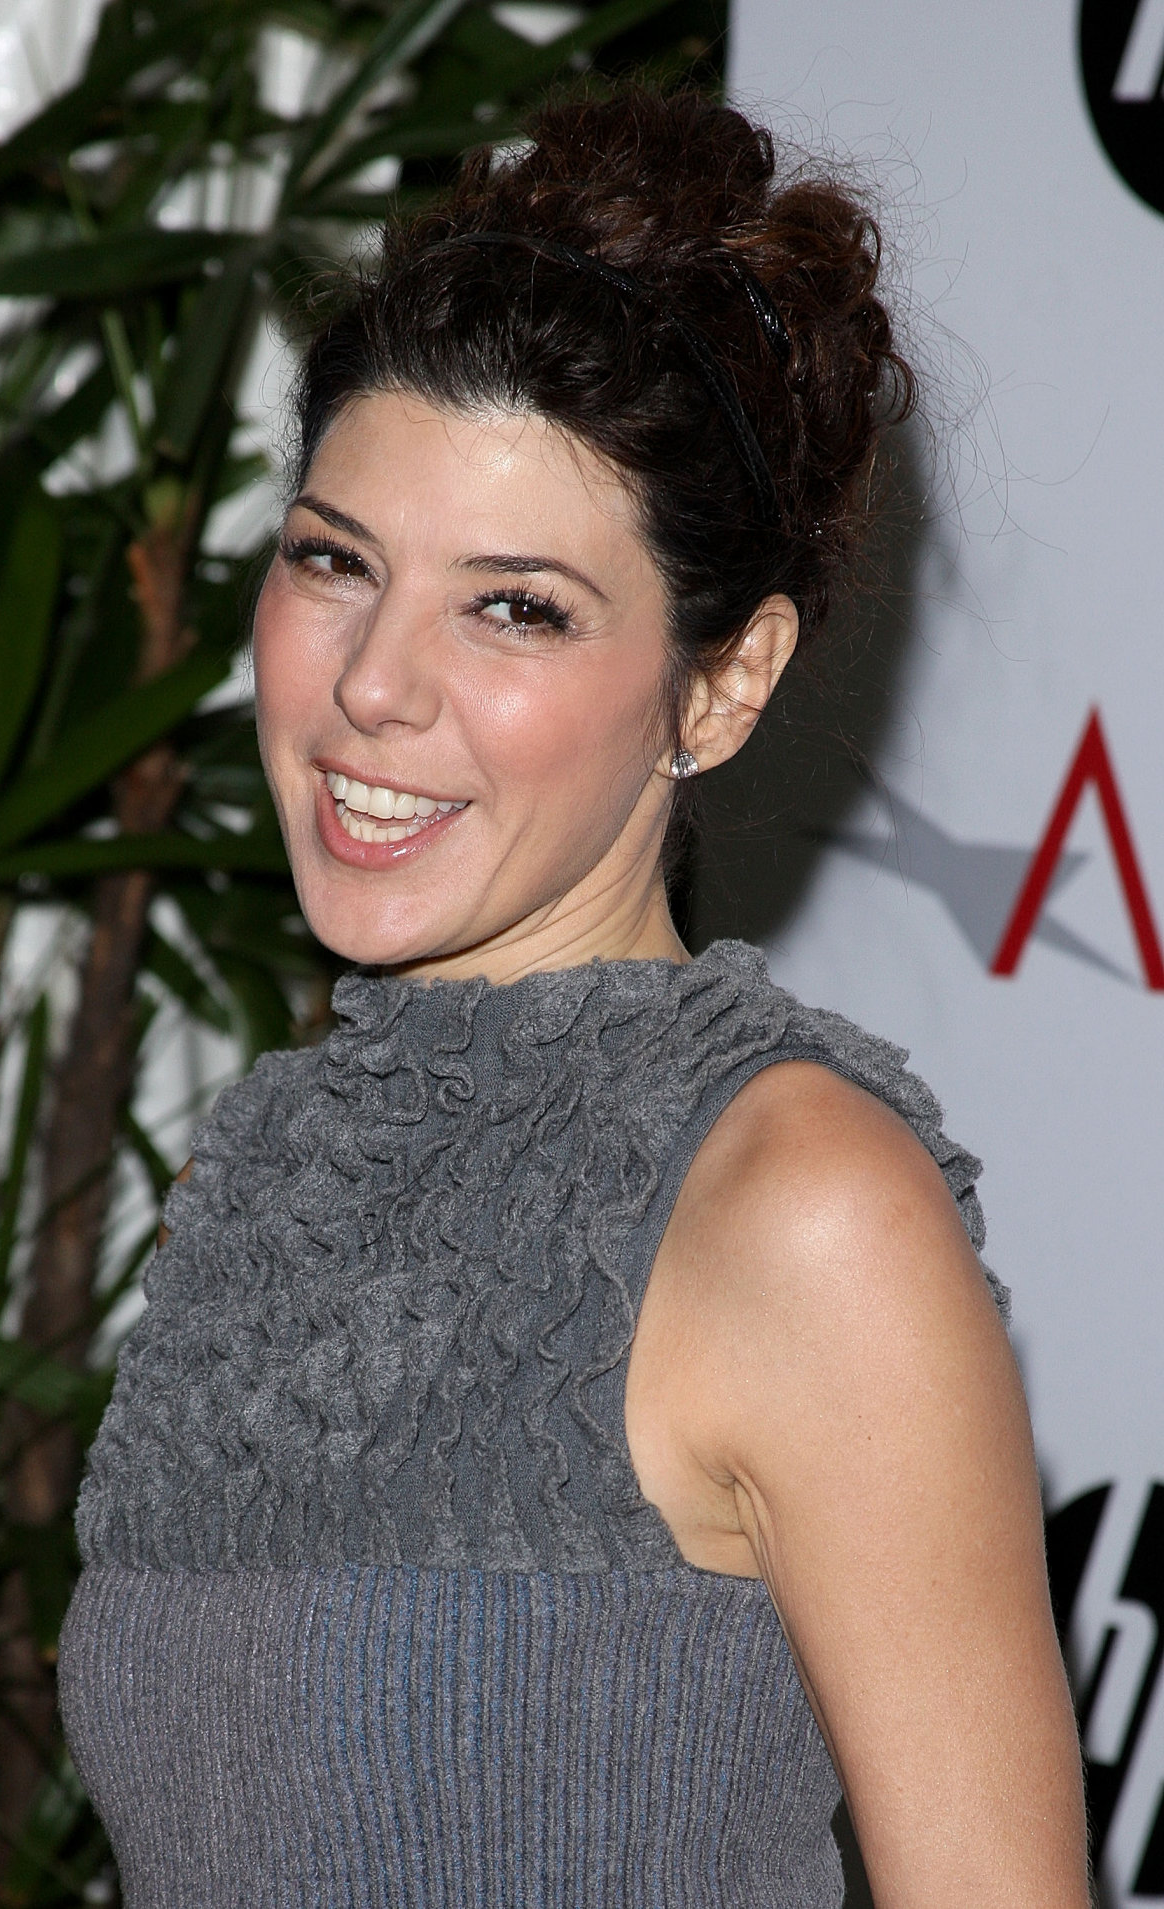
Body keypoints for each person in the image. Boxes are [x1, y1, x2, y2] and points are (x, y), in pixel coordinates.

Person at [59, 87, 1090, 1907]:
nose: (374, 684)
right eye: (333, 560)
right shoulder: (261, 1175)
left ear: (723, 683)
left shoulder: (801, 1209)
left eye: (515, 608)